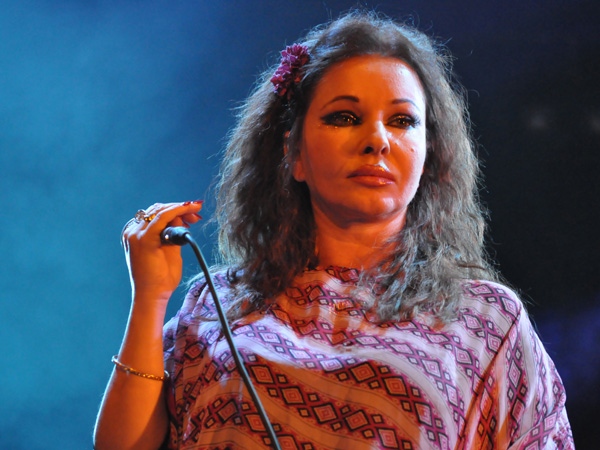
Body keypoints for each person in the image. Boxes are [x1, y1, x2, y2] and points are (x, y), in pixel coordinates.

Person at [94, 11, 574, 450]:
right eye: (345, 117)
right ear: (294, 154)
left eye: (403, 121)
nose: (377, 140)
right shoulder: (217, 303)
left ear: (429, 158)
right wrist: (151, 299)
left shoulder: (486, 323)